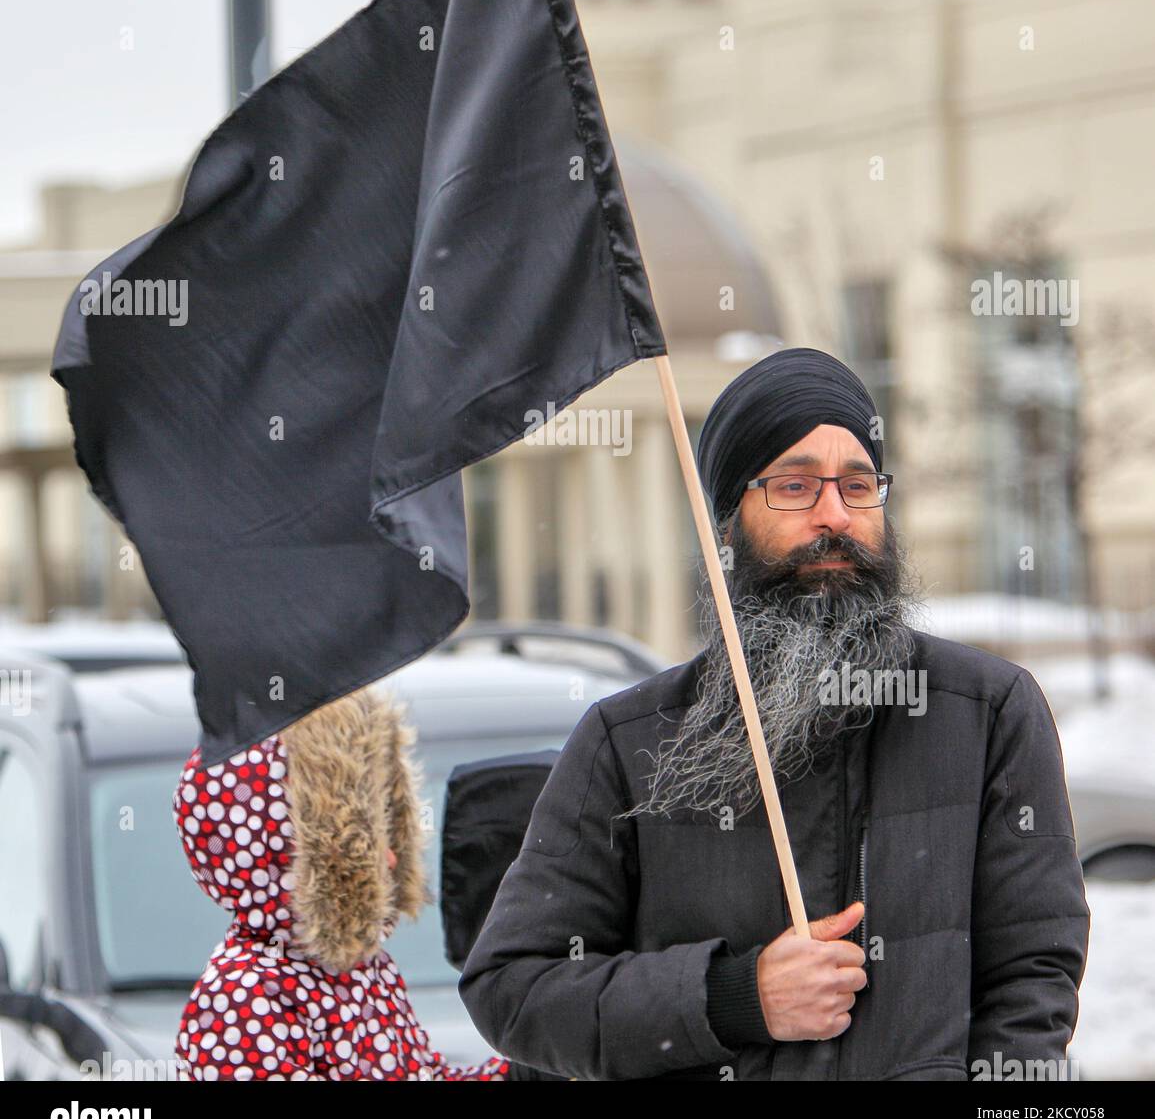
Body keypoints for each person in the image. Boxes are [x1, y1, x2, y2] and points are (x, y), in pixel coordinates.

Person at [458, 346, 1090, 1081]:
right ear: (726, 525)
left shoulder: (985, 713)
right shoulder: (626, 741)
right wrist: (732, 996)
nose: (833, 516)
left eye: (857, 485)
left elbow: (1032, 979)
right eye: (794, 486)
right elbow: (512, 989)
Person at [173, 686, 508, 1080]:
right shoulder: (244, 999)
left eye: (385, 830)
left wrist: (526, 1074)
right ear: (287, 851)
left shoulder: (362, 974)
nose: (390, 857)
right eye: (361, 841)